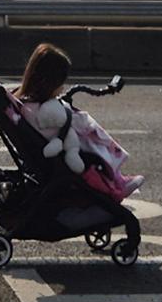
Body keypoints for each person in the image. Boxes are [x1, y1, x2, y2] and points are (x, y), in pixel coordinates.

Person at [15, 42, 144, 201]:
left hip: (49, 149)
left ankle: (117, 179)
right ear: (52, 82)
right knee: (92, 136)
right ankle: (115, 182)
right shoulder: (38, 110)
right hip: (62, 151)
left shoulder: (26, 104)